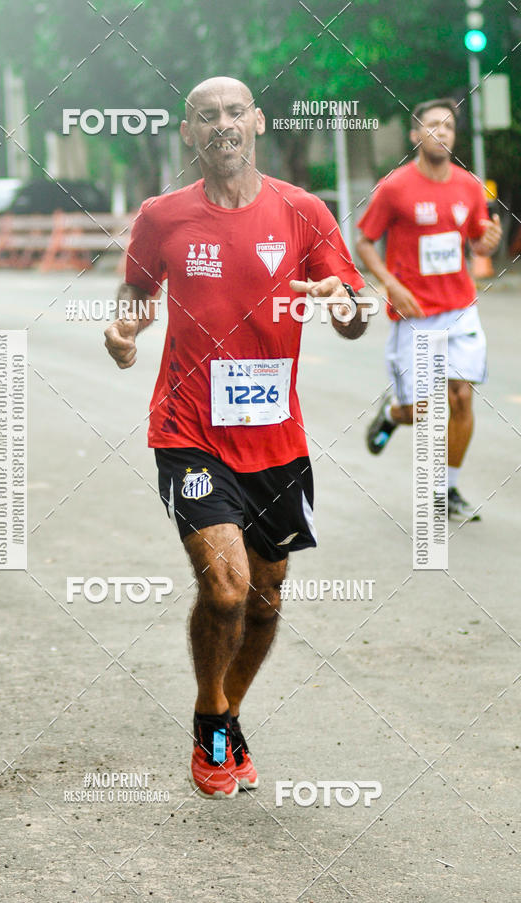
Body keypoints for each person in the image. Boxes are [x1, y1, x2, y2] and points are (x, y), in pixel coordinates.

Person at [105, 76, 366, 799]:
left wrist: (345, 304)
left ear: (255, 121)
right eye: (206, 116)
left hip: (277, 441)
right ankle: (210, 726)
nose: (222, 125)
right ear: (189, 133)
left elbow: (352, 308)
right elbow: (136, 289)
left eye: (233, 112)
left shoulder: (303, 211)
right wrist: (125, 326)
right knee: (226, 588)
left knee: (266, 598)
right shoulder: (163, 216)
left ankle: (228, 713)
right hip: (189, 432)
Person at [356, 98, 502, 521]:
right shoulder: (395, 187)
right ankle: (391, 413)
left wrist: (486, 244)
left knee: (460, 399)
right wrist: (391, 284)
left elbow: (476, 239)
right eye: (433, 124)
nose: (442, 131)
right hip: (414, 314)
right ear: (415, 135)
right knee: (423, 410)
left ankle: (447, 490)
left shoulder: (468, 186)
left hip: (460, 308)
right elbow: (365, 241)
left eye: (449, 126)